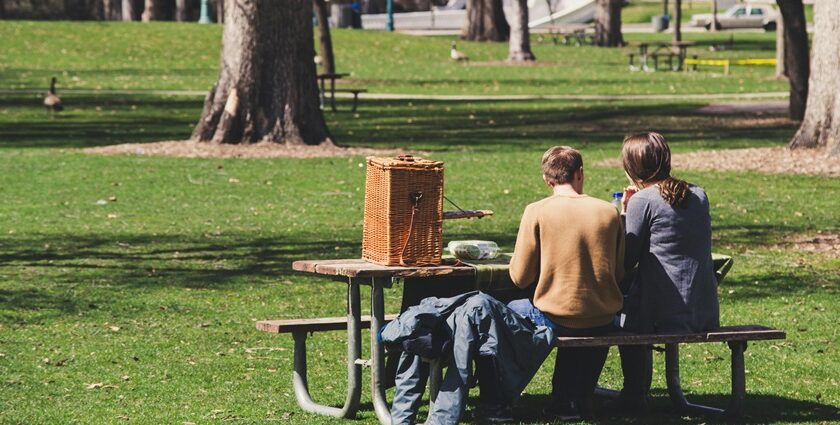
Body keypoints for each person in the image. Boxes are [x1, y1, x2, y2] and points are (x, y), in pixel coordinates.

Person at [508, 146, 625, 420]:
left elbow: (519, 277)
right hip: (603, 316)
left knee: (509, 309)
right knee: (582, 315)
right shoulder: (609, 212)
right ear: (580, 173)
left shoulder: (536, 211)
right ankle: (572, 398)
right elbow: (618, 273)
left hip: (555, 315)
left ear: (547, 180)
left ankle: (497, 395)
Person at [612, 132, 720, 413]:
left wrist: (626, 212)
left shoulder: (643, 201)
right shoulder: (699, 194)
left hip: (662, 313)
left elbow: (627, 261)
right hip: (701, 309)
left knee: (609, 312)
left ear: (631, 167)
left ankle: (632, 392)